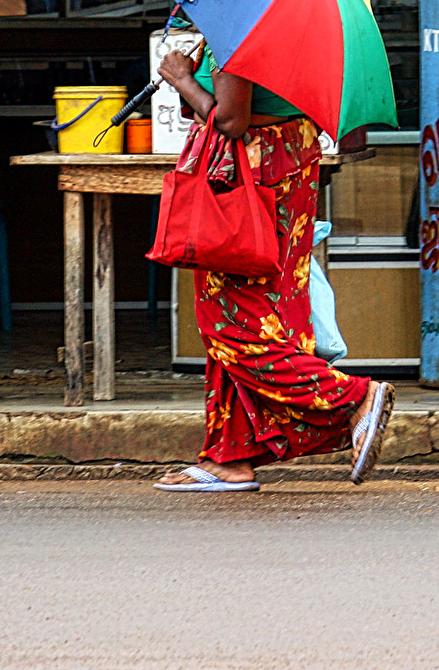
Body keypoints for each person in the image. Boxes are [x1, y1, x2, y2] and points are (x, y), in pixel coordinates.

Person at [152, 45, 393, 491]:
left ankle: (352, 397)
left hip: (254, 179)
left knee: (231, 324)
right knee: (265, 315)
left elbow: (231, 120)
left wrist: (182, 80)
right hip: (287, 164)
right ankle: (230, 457)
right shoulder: (281, 25)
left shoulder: (237, 27)